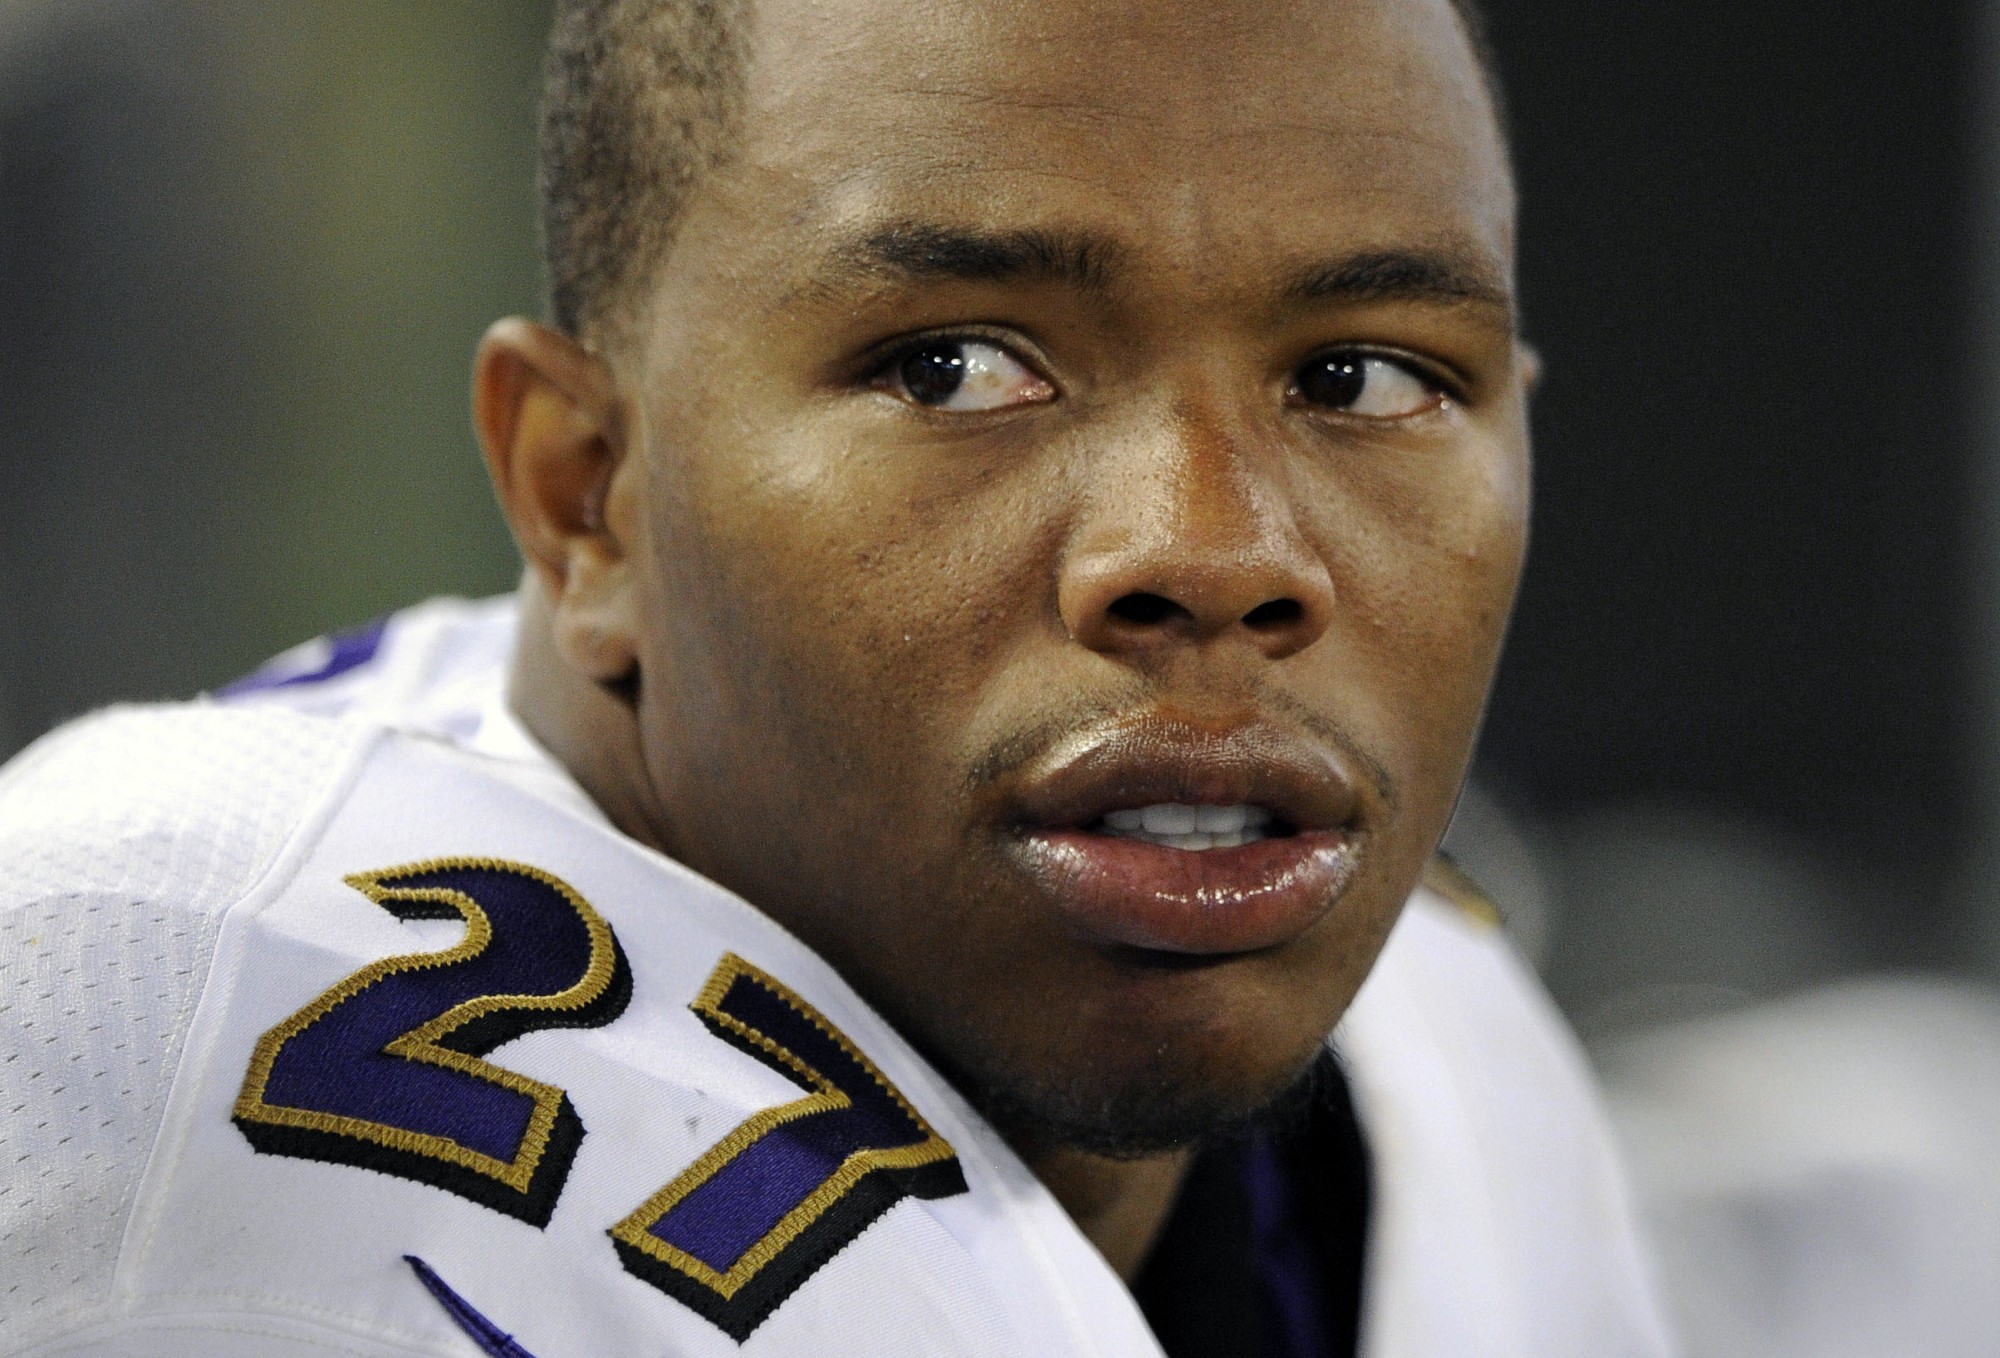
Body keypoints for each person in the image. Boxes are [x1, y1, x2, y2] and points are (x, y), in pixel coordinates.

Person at [0, 1, 1672, 1354]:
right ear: (587, 496)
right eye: (955, 367)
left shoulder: (1450, 1049)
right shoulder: (142, 1039)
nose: (1216, 550)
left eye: (1365, 377)